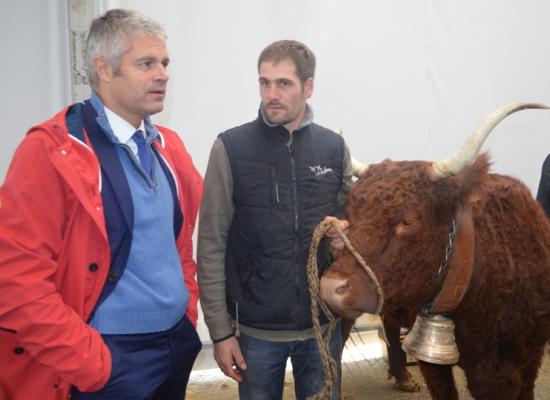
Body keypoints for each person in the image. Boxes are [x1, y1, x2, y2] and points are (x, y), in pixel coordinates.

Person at [0, 9, 202, 400]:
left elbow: (178, 243)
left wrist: (186, 310)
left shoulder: (169, 148)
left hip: (174, 344)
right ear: (103, 69)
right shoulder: (50, 152)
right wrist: (93, 362)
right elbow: (16, 281)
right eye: (146, 63)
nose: (162, 74)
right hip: (108, 358)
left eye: (164, 63)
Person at [197, 40, 353, 400]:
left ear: (308, 87)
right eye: (264, 82)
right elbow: (211, 245)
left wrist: (344, 236)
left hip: (322, 327)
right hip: (255, 333)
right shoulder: (231, 148)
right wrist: (220, 333)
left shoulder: (333, 148)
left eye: (283, 83)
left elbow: (351, 224)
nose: (271, 94)